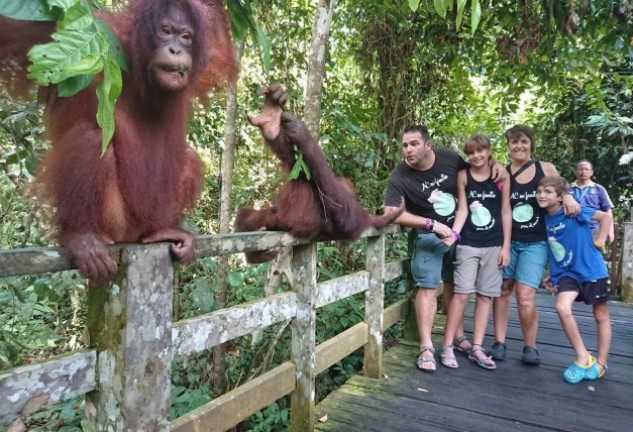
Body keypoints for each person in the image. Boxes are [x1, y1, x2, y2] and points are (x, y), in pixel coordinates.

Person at [384, 125, 505, 373]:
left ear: (428, 145)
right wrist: (430, 224)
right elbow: (390, 213)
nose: (408, 149)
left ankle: (458, 337)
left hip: (463, 233)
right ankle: (427, 346)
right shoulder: (400, 175)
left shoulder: (449, 158)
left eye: (414, 144)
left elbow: (475, 172)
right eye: (405, 145)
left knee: (455, 286)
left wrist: (497, 166)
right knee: (428, 286)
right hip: (429, 236)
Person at [490, 125, 579, 365]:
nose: (519, 146)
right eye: (514, 142)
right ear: (507, 146)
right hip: (507, 240)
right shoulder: (503, 172)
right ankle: (499, 341)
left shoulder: (545, 168)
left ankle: (530, 346)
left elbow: (562, 189)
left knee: (525, 295)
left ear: (531, 144)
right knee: (503, 290)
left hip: (536, 242)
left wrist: (568, 196)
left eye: (524, 141)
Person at [439, 134, 511, 371]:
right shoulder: (464, 176)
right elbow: (462, 209)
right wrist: (455, 234)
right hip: (468, 243)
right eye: (470, 153)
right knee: (461, 293)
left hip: (493, 244)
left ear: (489, 151)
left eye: (480, 151)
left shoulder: (501, 176)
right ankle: (448, 344)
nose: (475, 156)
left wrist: (506, 246)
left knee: (486, 295)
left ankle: (478, 346)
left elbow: (505, 212)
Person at [537, 175, 612, 383]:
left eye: (547, 192)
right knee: (562, 307)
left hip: (592, 270)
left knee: (601, 315)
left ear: (561, 197)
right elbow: (557, 247)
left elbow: (606, 217)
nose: (541, 195)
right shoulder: (544, 218)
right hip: (568, 274)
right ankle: (582, 356)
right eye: (539, 191)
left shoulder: (574, 211)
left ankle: (601, 363)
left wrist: (600, 240)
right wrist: (553, 274)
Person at [569, 159, 615, 243]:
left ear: (591, 172)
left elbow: (608, 210)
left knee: (593, 255)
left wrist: (610, 231)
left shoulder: (599, 189)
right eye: (580, 169)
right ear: (575, 172)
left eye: (586, 169)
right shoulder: (568, 189)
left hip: (594, 230)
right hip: (572, 230)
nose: (583, 172)